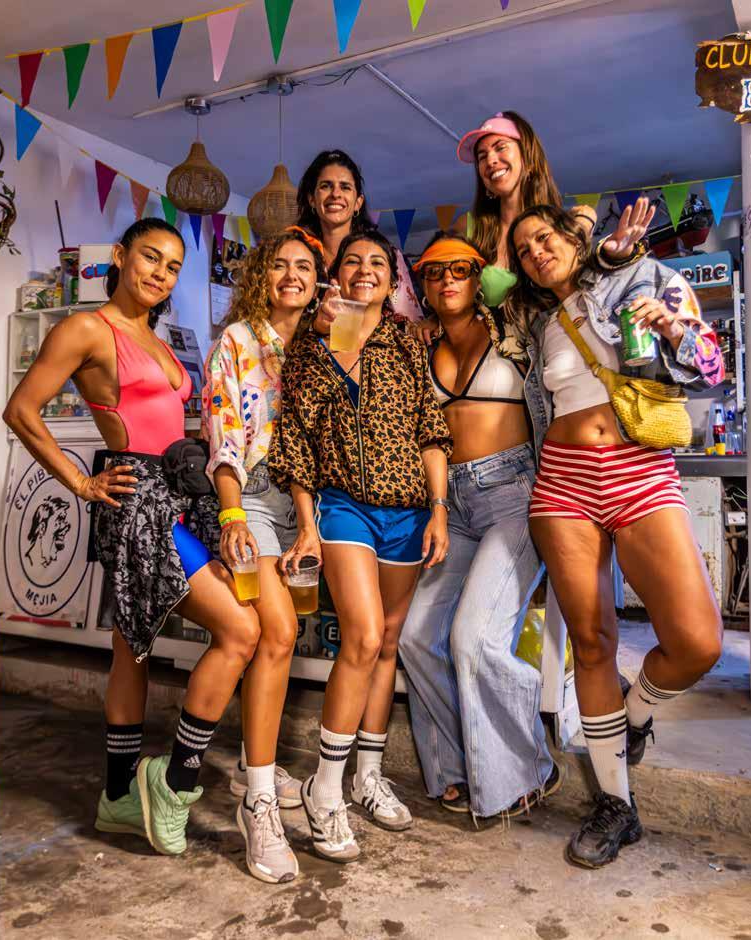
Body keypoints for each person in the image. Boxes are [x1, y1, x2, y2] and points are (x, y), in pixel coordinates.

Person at [2, 218, 260, 857]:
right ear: (120, 256)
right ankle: (176, 784)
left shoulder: (154, 336)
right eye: (150, 257)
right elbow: (21, 410)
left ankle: (118, 796)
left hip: (176, 492)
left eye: (172, 267)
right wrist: (81, 483)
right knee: (240, 630)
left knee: (131, 647)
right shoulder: (87, 328)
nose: (160, 274)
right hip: (136, 500)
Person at [508, 204, 724, 868]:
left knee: (698, 642)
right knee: (593, 643)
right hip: (562, 483)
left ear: (575, 238)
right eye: (523, 249)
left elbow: (711, 367)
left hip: (639, 471)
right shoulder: (537, 323)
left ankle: (633, 715)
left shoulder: (647, 278)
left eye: (544, 237)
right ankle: (614, 805)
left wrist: (673, 329)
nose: (535, 252)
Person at [268, 229, 452, 863]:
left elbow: (431, 429)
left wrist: (438, 509)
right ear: (336, 274)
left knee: (389, 642)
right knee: (364, 638)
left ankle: (368, 778)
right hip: (344, 506)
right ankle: (325, 789)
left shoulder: (405, 341)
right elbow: (294, 443)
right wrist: (307, 524)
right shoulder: (310, 345)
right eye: (353, 261)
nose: (365, 269)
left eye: (377, 262)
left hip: (409, 510)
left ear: (392, 280)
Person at [397, 232, 559, 822]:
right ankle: (459, 765)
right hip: (451, 503)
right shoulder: (420, 347)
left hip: (513, 494)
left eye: (460, 269)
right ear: (424, 285)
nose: (447, 280)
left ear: (478, 278)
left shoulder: (515, 332)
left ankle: (528, 767)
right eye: (434, 272)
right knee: (416, 638)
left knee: (474, 637)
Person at [195, 227, 326, 884]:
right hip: (251, 494)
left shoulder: (319, 347)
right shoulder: (237, 342)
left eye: (304, 266)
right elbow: (222, 434)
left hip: (307, 505)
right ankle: (259, 803)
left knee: (286, 632)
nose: (292, 275)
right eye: (279, 265)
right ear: (261, 277)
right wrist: (232, 514)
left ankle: (257, 766)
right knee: (275, 632)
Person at [413, 112, 652, 343]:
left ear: (527, 156)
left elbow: (592, 287)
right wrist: (438, 317)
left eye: (500, 147)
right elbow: (438, 279)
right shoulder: (468, 228)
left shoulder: (567, 224)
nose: (490, 160)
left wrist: (608, 248)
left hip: (553, 355)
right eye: (482, 156)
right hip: (488, 360)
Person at [296, 149, 422, 324]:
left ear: (358, 202)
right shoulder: (298, 258)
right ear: (311, 199)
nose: (335, 194)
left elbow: (413, 322)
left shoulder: (386, 255)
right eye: (326, 186)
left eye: (345, 187)